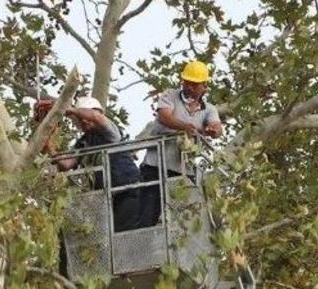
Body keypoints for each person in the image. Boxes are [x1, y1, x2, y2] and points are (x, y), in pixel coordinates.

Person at [137, 60, 223, 228]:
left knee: (184, 219)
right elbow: (164, 117)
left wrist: (214, 130)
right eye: (187, 82)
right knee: (147, 215)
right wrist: (185, 127)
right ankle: (143, 240)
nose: (189, 87)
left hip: (183, 170)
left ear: (204, 86)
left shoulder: (209, 109)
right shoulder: (170, 95)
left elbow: (217, 127)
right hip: (155, 166)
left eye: (194, 84)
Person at [58, 96, 141, 232]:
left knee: (123, 232)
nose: (84, 120)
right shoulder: (83, 142)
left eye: (85, 116)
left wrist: (71, 110)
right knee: (106, 234)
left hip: (128, 189)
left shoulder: (110, 132)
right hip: (106, 196)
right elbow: (66, 165)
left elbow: (96, 117)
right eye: (80, 119)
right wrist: (49, 146)